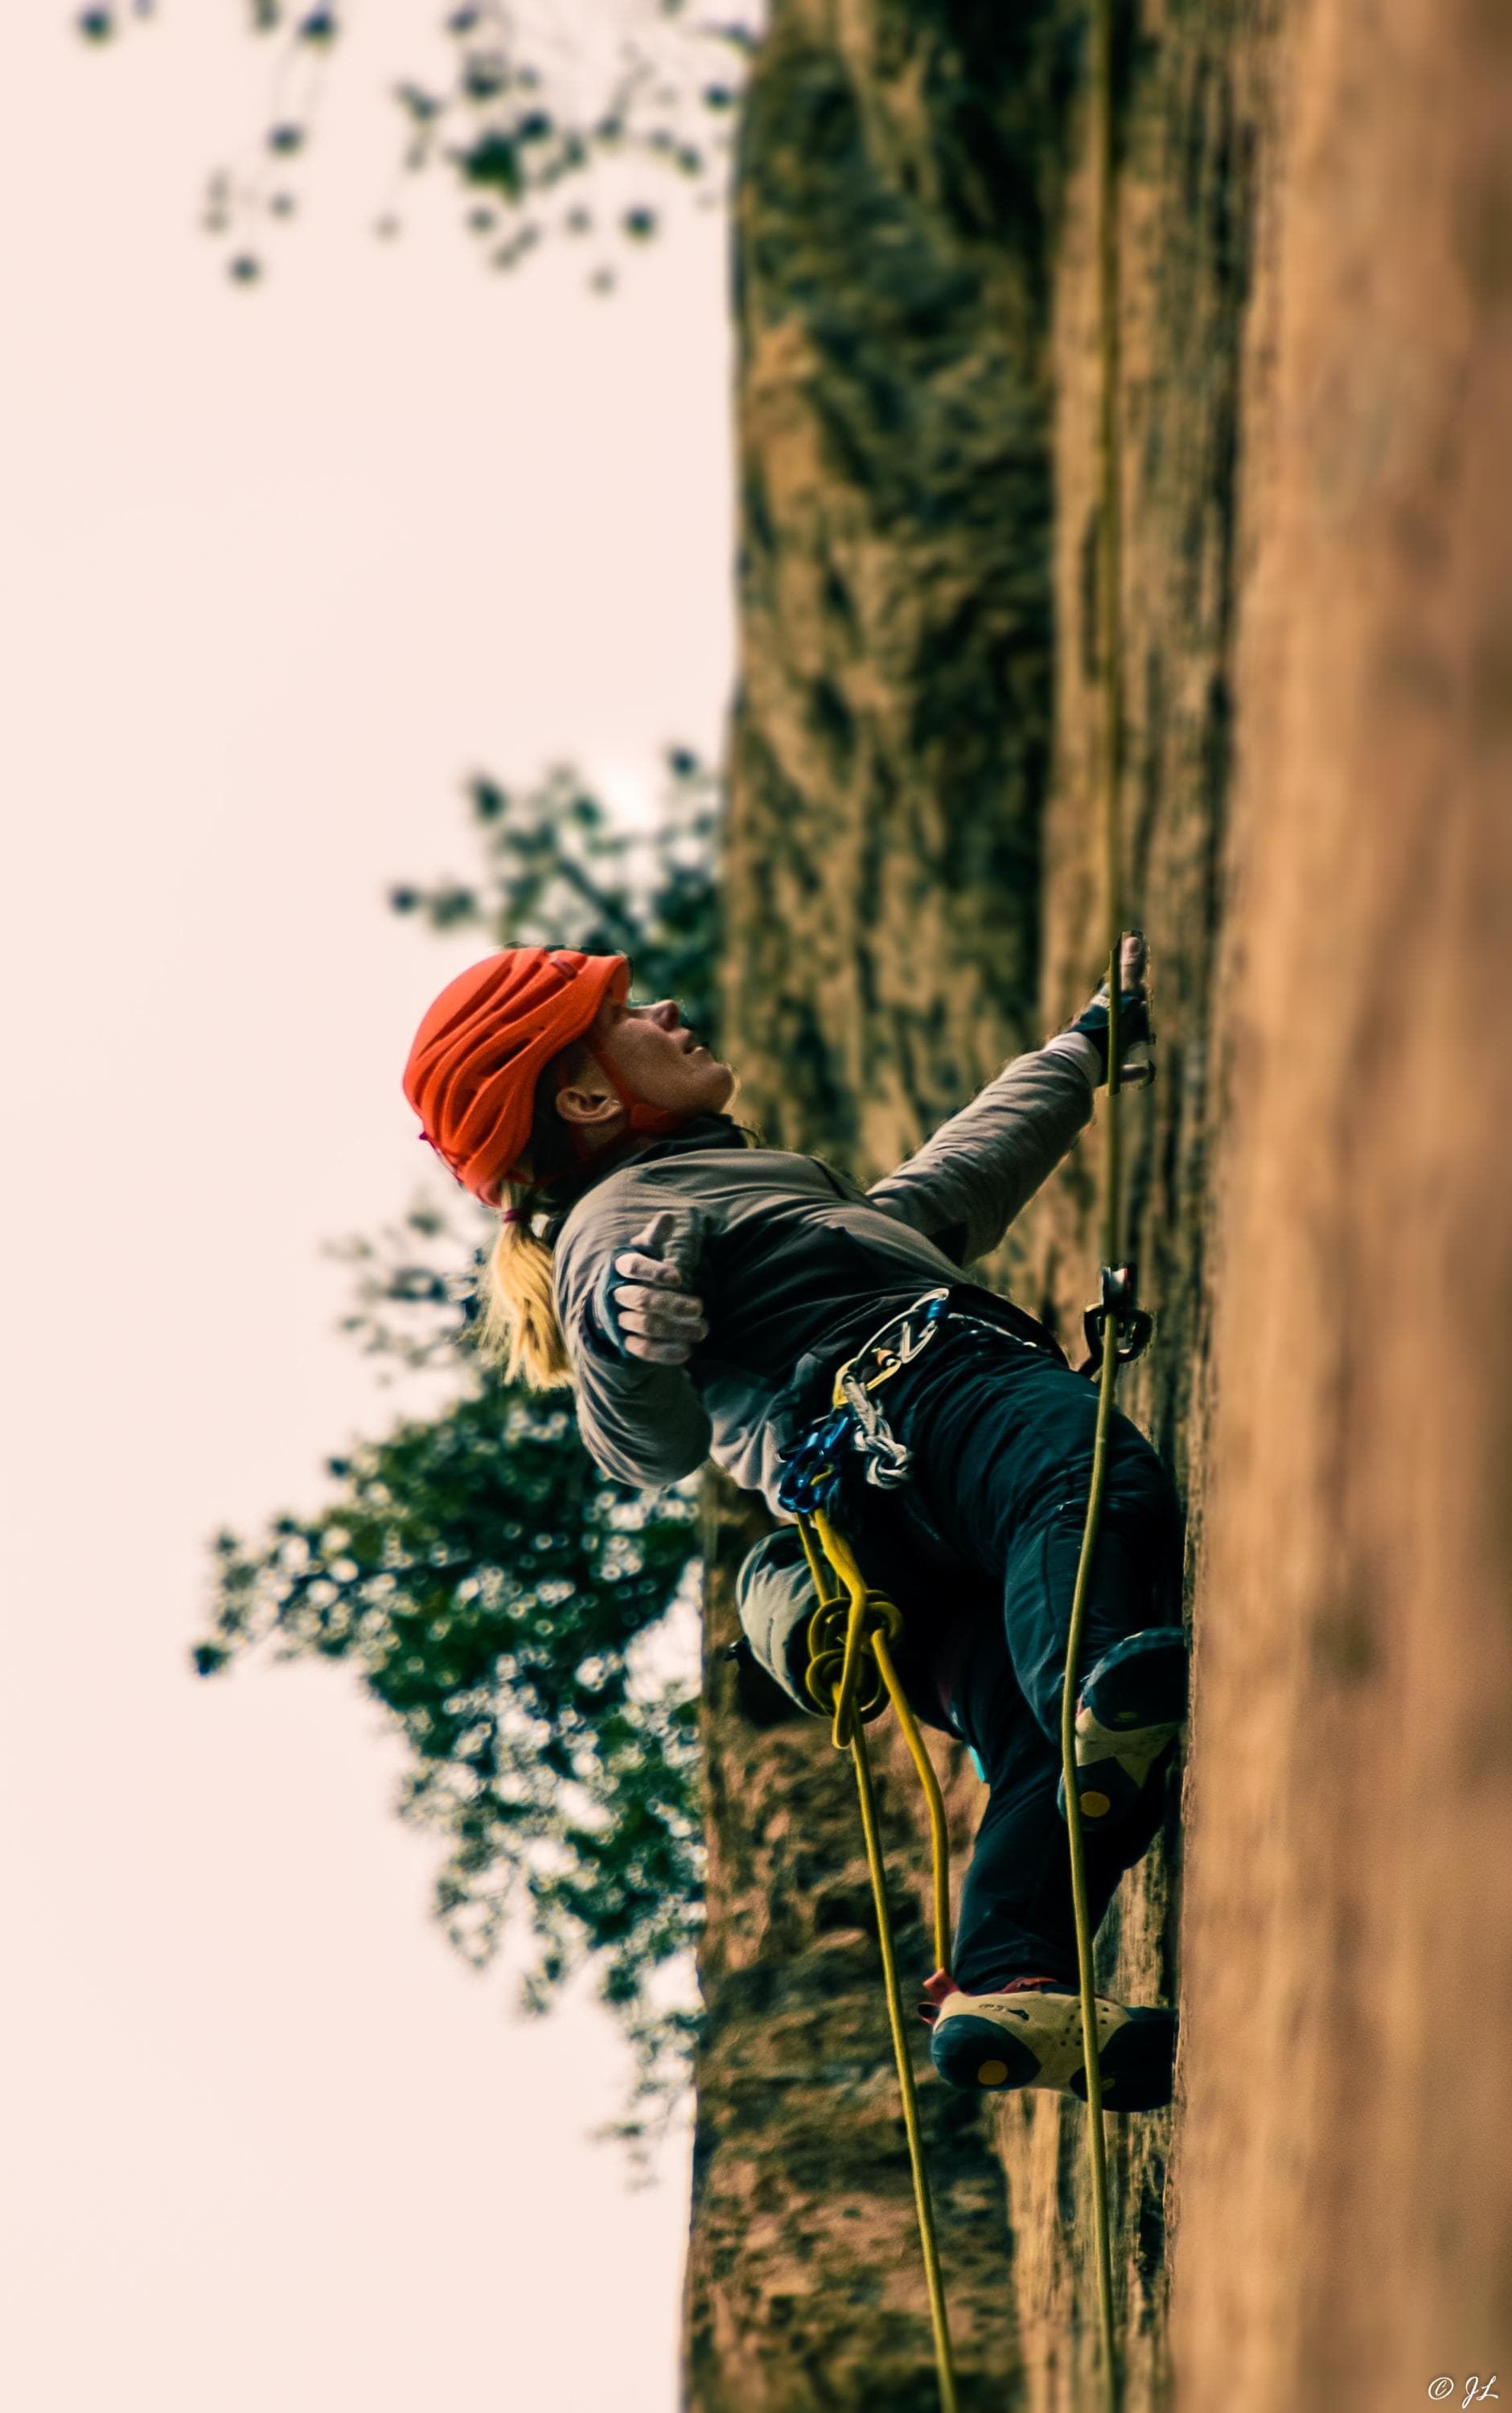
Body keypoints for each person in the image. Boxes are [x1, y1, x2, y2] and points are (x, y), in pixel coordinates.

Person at [402, 943, 1188, 2110]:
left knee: (1034, 1745)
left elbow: (938, 1193)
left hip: (874, 1535)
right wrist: (624, 1334)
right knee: (1083, 1496)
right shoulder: (615, 1226)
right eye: (624, 1013)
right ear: (584, 1097)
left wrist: (1075, 1055)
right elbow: (640, 1442)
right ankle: (1088, 1691)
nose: (668, 1008)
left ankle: (1006, 1975)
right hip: (927, 1401)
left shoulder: (739, 1196)